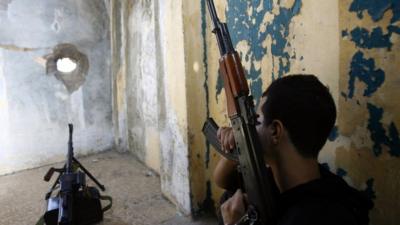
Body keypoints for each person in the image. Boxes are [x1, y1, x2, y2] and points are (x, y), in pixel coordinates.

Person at [214, 75, 372, 225]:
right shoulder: (276, 183)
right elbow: (225, 184)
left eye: (255, 120)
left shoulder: (317, 217)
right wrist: (238, 141)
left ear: (275, 131)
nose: (250, 128)